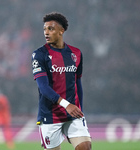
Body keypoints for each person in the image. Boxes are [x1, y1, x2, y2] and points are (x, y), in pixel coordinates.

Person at [31, 12, 91, 150]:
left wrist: (79, 109)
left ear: (61, 30)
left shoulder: (76, 53)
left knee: (85, 147)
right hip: (50, 115)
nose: (46, 32)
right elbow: (43, 87)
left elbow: (78, 83)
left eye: (50, 29)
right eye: (45, 29)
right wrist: (66, 104)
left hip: (72, 114)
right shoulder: (39, 55)